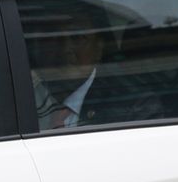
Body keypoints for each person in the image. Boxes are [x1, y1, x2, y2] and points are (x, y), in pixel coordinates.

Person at [31, 8, 164, 130]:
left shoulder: (135, 107)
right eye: (53, 38)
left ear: (98, 49)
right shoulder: (23, 91)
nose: (65, 49)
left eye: (77, 37)